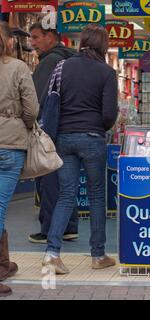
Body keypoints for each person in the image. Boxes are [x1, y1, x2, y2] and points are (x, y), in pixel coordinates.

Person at [42, 24, 118, 274]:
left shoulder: (63, 67)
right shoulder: (106, 72)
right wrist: (98, 126)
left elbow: (49, 100)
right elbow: (109, 114)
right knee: (97, 197)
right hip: (93, 137)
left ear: (82, 41)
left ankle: (52, 254)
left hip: (63, 138)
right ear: (103, 45)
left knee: (66, 195)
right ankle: (98, 255)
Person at [28, 22, 78, 244]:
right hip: (68, 126)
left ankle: (48, 228)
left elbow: (35, 98)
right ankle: (69, 226)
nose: (33, 42)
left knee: (48, 179)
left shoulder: (49, 61)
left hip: (49, 127)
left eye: (37, 37)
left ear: (50, 37)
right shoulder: (71, 59)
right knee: (66, 181)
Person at [0, 22, 39, 296]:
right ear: (7, 43)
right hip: (9, 144)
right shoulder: (17, 68)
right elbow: (32, 109)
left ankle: (3, 264)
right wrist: (20, 124)